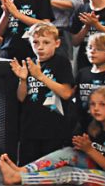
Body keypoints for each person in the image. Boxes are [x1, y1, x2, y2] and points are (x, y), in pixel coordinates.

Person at [0, 86, 105, 186]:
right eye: (93, 104)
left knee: (71, 173)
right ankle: (23, 170)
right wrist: (80, 146)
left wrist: (89, 150)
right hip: (99, 168)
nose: (96, 108)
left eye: (102, 104)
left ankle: (18, 178)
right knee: (69, 152)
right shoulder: (93, 126)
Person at [10, 23, 75, 165]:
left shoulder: (61, 62)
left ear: (57, 43)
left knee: (48, 169)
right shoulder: (29, 64)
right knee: (27, 166)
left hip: (53, 128)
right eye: (35, 42)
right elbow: (21, 97)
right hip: (30, 126)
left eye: (46, 42)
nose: (40, 47)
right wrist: (22, 80)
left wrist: (41, 76)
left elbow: (66, 93)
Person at [75, 31, 105, 129]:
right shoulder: (82, 73)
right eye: (90, 48)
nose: (92, 51)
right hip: (83, 122)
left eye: (99, 49)